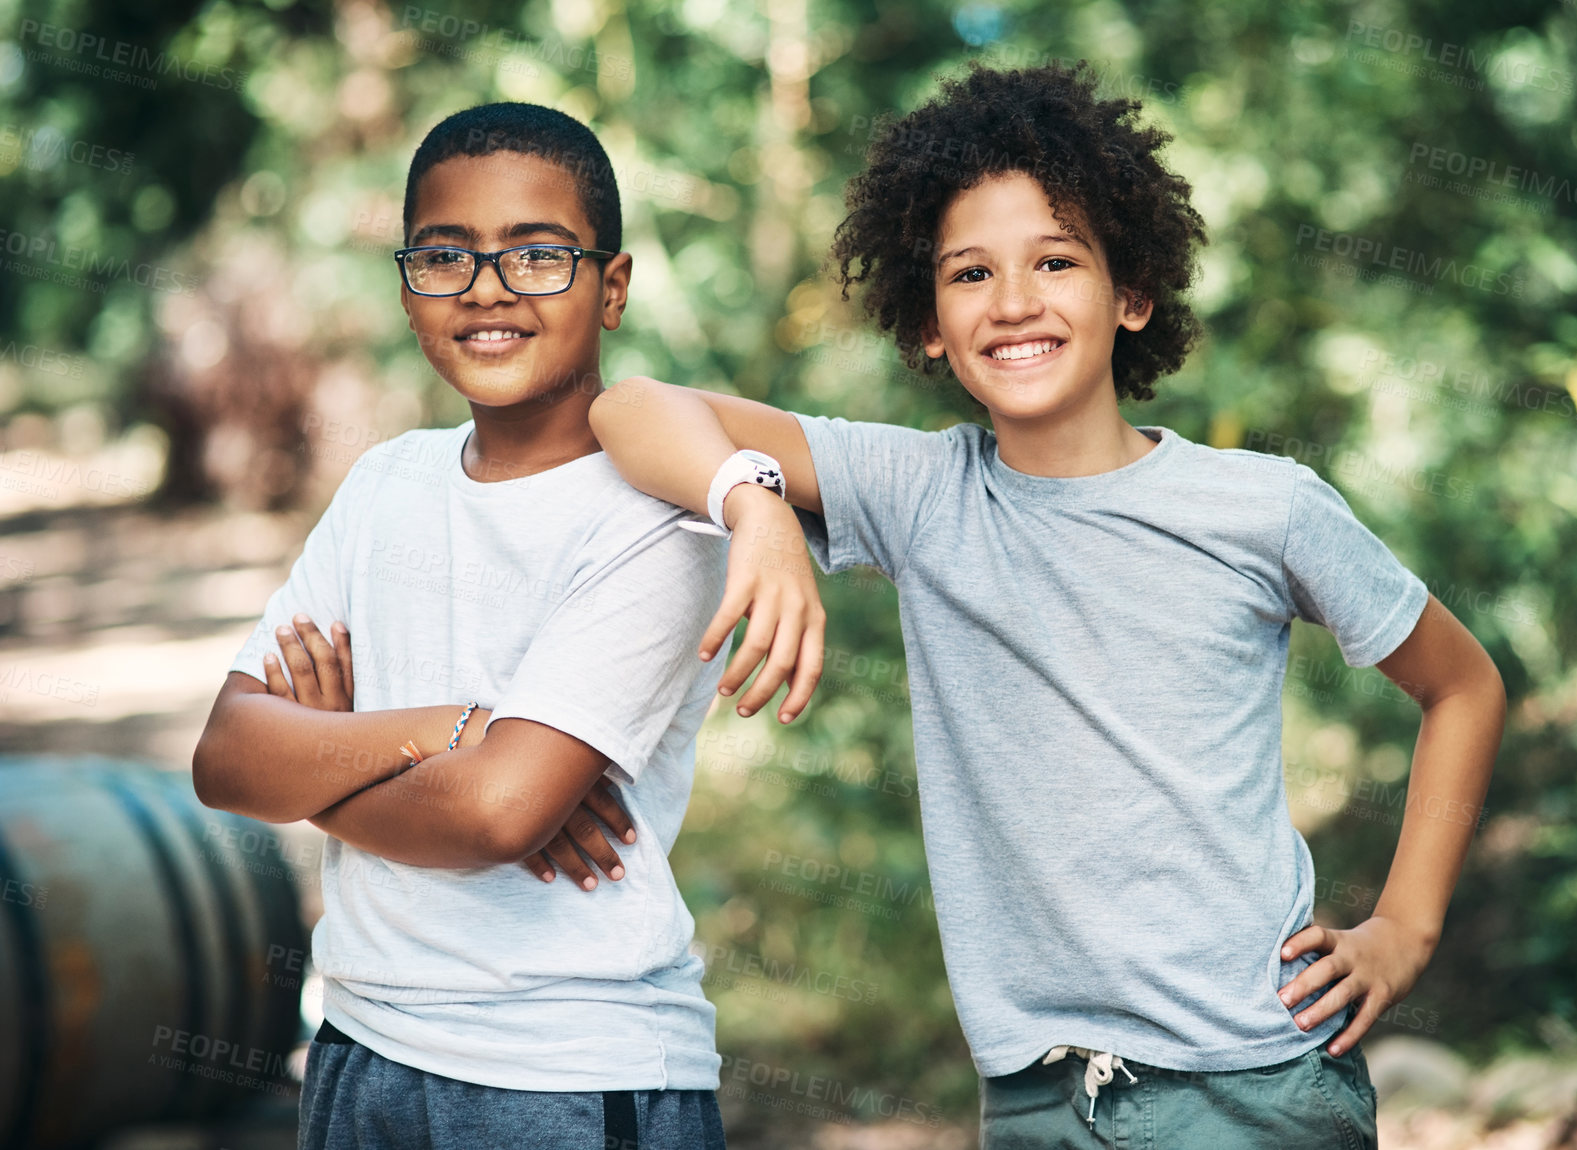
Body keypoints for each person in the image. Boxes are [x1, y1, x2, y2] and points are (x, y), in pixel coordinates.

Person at [589, 63, 1507, 1148]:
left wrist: (1402, 928)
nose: (1014, 301)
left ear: (1132, 292)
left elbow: (1463, 685)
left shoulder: (1262, 508)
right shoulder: (924, 493)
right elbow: (632, 406)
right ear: (927, 319)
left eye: (1056, 261)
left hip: (1250, 1085)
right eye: (969, 273)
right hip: (1033, 1099)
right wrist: (756, 506)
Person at [193, 102, 732, 1149]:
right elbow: (226, 757)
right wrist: (459, 724)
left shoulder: (657, 516)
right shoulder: (385, 482)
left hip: (562, 1072)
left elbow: (495, 815)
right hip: (357, 1046)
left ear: (611, 288)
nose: (488, 288)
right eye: (446, 255)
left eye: (538, 255)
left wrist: (326, 757)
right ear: (407, 290)